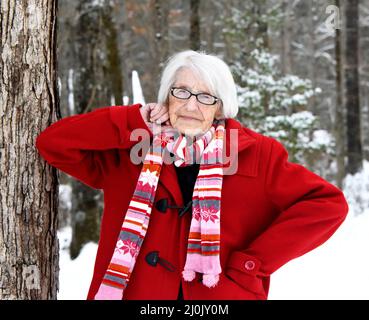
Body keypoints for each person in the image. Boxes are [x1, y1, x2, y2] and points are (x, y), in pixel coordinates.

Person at [36, 50, 349, 300]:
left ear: (220, 107)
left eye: (205, 96)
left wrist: (252, 264)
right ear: (166, 97)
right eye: (181, 91)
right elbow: (53, 143)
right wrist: (132, 118)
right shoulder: (131, 149)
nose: (190, 105)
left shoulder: (256, 154)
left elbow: (327, 204)